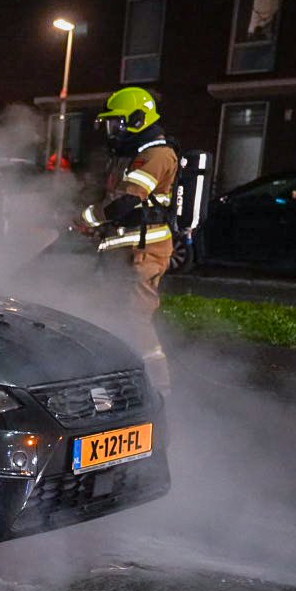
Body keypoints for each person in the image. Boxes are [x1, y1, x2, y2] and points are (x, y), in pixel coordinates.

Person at [77, 86, 178, 393]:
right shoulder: (130, 156)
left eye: (117, 122)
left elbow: (126, 202)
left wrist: (88, 218)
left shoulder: (157, 155)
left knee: (135, 319)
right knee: (107, 315)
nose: (113, 131)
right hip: (121, 249)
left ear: (137, 119)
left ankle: (160, 389)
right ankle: (118, 381)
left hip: (144, 251)